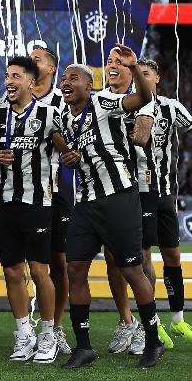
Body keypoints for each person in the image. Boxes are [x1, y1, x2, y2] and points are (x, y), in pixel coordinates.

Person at [58, 50, 164, 369]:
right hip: (86, 203)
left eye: (73, 78)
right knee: (74, 268)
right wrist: (69, 154)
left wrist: (133, 68)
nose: (65, 82)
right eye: (63, 78)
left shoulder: (104, 102)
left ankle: (153, 339)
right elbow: (67, 145)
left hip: (118, 197)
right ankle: (84, 346)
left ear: (90, 87)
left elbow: (141, 99)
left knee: (131, 269)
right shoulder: (65, 118)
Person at [0, 56, 64, 364]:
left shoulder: (49, 114)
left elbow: (64, 147)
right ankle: (23, 335)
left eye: (16, 76)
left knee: (40, 270)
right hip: (4, 205)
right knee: (12, 271)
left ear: (31, 81)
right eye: (7, 76)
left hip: (37, 202)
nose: (9, 81)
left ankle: (48, 334)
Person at [99, 47, 164, 356]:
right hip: (107, 188)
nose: (113, 66)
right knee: (112, 257)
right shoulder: (98, 98)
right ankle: (127, 322)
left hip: (141, 186)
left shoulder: (145, 99)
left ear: (131, 69)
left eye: (120, 63)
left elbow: (140, 137)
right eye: (110, 62)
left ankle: (149, 323)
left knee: (139, 258)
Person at [136, 58, 192, 342]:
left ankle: (178, 319)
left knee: (172, 254)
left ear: (157, 78)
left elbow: (190, 125)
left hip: (165, 192)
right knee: (144, 256)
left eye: (147, 74)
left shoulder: (171, 107)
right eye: (138, 73)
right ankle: (152, 322)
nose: (142, 78)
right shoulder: (127, 108)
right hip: (137, 193)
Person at [31, 46, 73, 356]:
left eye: (38, 58)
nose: (32, 60)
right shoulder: (14, 98)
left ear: (51, 69)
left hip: (58, 191)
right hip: (24, 195)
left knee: (58, 262)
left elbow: (73, 145)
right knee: (22, 265)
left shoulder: (64, 102)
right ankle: (28, 329)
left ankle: (56, 328)